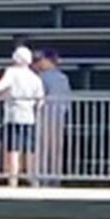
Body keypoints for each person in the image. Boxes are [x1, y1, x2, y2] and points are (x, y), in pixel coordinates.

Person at [0, 45, 44, 187]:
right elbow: (40, 99)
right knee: (29, 150)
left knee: (13, 150)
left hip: (14, 115)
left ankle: (13, 181)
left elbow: (4, 84)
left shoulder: (12, 72)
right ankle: (33, 179)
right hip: (29, 117)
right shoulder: (35, 77)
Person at [34, 48, 73, 185]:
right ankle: (56, 177)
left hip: (45, 115)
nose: (39, 63)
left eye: (41, 60)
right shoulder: (63, 77)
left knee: (43, 148)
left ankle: (42, 176)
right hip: (60, 116)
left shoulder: (42, 77)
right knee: (56, 148)